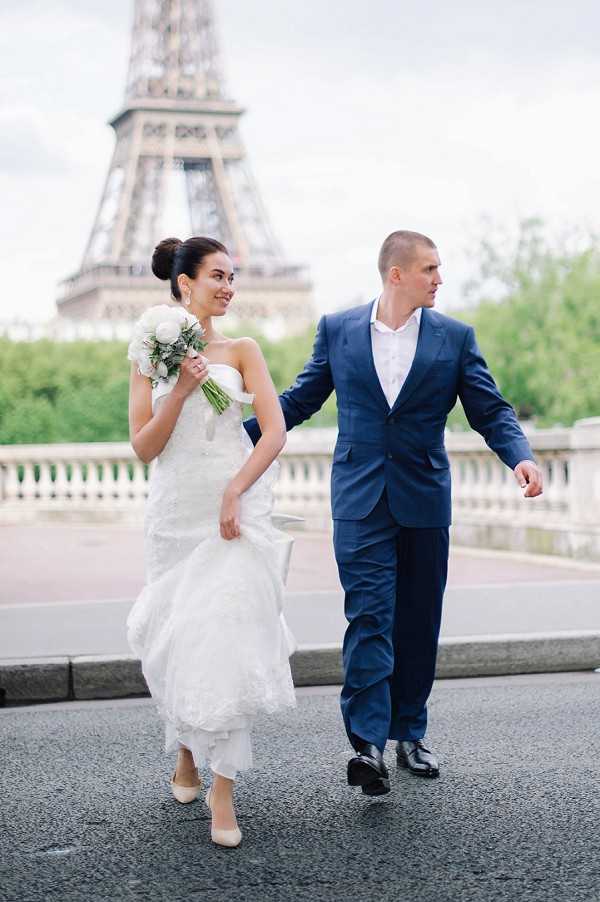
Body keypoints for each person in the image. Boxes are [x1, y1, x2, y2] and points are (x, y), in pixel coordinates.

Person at [244, 230, 543, 796]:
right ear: (396, 274)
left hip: (425, 498)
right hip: (359, 499)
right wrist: (233, 439)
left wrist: (520, 457)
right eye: (430, 268)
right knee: (370, 618)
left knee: (418, 620)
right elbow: (299, 400)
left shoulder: (455, 338)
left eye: (440, 268)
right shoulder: (338, 330)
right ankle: (369, 747)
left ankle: (410, 731)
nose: (439, 278)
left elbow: (490, 408)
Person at [127, 236, 296, 847]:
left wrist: (235, 491)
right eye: (218, 276)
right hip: (176, 511)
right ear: (184, 284)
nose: (229, 286)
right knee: (177, 639)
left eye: (234, 277)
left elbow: (272, 433)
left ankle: (223, 786)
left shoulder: (244, 349)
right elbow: (144, 446)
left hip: (231, 506)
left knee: (225, 633)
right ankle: (186, 749)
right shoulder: (150, 350)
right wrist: (180, 387)